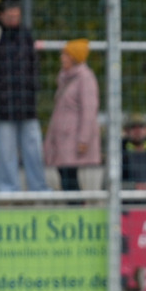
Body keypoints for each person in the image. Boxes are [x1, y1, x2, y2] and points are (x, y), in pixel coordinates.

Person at [0, 0, 49, 193]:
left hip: (26, 103)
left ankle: (38, 187)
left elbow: (34, 65)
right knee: (5, 150)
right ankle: (9, 189)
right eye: (10, 16)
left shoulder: (25, 34)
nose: (14, 20)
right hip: (1, 105)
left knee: (33, 147)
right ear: (0, 15)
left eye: (17, 16)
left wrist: (32, 87)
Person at [44, 39, 101, 194]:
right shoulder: (65, 77)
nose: (62, 58)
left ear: (75, 57)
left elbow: (89, 110)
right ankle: (73, 207)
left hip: (74, 138)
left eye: (66, 54)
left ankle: (77, 209)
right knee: (64, 174)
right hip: (62, 138)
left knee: (70, 175)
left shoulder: (85, 78)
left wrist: (83, 139)